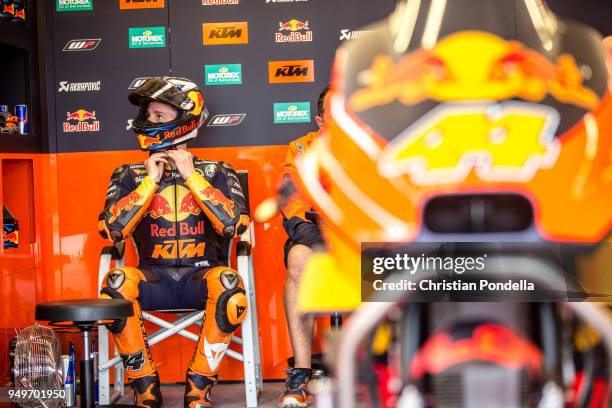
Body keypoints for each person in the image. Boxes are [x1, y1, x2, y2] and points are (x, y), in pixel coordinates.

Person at [98, 76, 250, 408]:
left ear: (184, 120)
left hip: (202, 277)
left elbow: (234, 225)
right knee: (115, 283)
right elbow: (111, 231)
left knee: (230, 286)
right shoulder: (127, 175)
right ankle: (145, 386)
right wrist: (149, 182)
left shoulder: (217, 170)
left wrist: (191, 175)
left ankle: (199, 385)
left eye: (157, 116)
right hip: (154, 278)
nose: (145, 122)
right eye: (147, 115)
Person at [278, 86, 329, 408]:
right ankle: (301, 373)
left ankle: (388, 365)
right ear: (320, 121)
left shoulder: (374, 145)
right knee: (297, 256)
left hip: (364, 237)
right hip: (315, 235)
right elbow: (292, 208)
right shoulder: (300, 148)